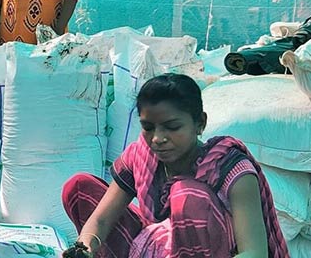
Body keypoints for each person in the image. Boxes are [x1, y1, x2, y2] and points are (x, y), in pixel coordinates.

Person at [61, 74, 289, 257]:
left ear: (200, 123)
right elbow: (101, 219)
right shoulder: (141, 155)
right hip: (150, 247)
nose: (158, 138)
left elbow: (254, 252)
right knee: (79, 187)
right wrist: (84, 249)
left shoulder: (231, 168)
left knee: (187, 195)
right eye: (148, 127)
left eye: (171, 127)